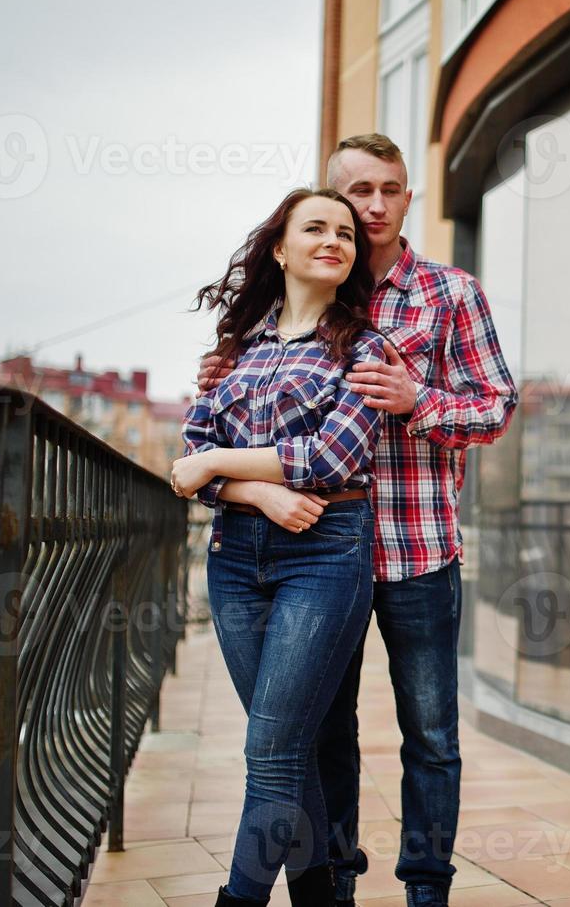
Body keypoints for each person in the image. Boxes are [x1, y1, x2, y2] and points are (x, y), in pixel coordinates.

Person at [197, 133, 517, 906]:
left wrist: (420, 403)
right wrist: (228, 380)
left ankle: (425, 891)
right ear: (332, 198)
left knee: (431, 736)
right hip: (315, 548)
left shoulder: (449, 293)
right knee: (319, 734)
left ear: (409, 197)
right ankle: (331, 883)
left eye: (390, 189)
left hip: (416, 547)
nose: (373, 206)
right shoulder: (304, 300)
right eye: (357, 192)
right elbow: (221, 429)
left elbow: (496, 405)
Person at [172, 188, 388, 907]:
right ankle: (320, 897)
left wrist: (218, 467)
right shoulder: (233, 352)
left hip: (324, 554)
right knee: (289, 754)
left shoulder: (365, 346)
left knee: (270, 752)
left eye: (346, 234)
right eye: (316, 228)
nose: (334, 240)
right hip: (234, 558)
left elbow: (332, 457)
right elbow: (187, 463)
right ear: (280, 248)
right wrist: (253, 490)